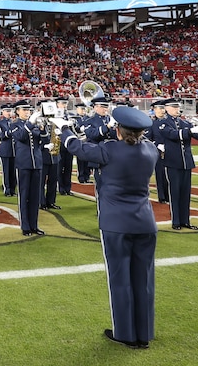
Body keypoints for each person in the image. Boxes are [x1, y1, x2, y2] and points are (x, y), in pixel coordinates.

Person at [59, 105, 158, 350]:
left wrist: (63, 129)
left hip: (116, 222)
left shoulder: (109, 150)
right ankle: (144, 333)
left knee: (120, 279)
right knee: (144, 279)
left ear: (119, 131)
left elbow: (76, 148)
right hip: (145, 221)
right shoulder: (151, 150)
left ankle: (125, 333)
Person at [156, 99, 198, 230]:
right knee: (175, 192)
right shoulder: (163, 123)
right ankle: (176, 221)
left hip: (186, 162)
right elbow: (172, 135)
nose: (177, 109)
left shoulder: (184, 122)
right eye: (174, 107)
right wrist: (191, 131)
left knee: (185, 193)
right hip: (173, 162)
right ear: (166, 108)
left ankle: (185, 221)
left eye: (177, 107)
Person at [9, 99, 45, 236]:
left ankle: (34, 225)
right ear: (17, 111)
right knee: (24, 196)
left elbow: (43, 140)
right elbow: (21, 136)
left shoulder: (33, 124)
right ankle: (25, 226)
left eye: (28, 110)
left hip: (37, 163)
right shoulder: (14, 124)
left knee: (35, 197)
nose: (27, 112)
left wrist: (43, 128)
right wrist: (30, 123)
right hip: (23, 164)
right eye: (24, 110)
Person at [144, 99, 170, 204]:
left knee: (171, 175)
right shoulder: (151, 124)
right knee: (160, 174)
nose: (162, 111)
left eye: (163, 108)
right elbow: (146, 139)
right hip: (158, 153)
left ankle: (170, 195)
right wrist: (157, 145)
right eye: (159, 108)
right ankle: (162, 197)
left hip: (170, 151)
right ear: (154, 110)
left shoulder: (169, 122)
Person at [0, 103, 16, 195]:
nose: (9, 113)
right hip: (5, 150)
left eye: (10, 111)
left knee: (13, 172)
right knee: (6, 172)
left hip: (15, 150)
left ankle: (13, 189)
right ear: (2, 112)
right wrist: (9, 133)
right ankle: (7, 189)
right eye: (7, 111)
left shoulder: (14, 122)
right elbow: (0, 136)